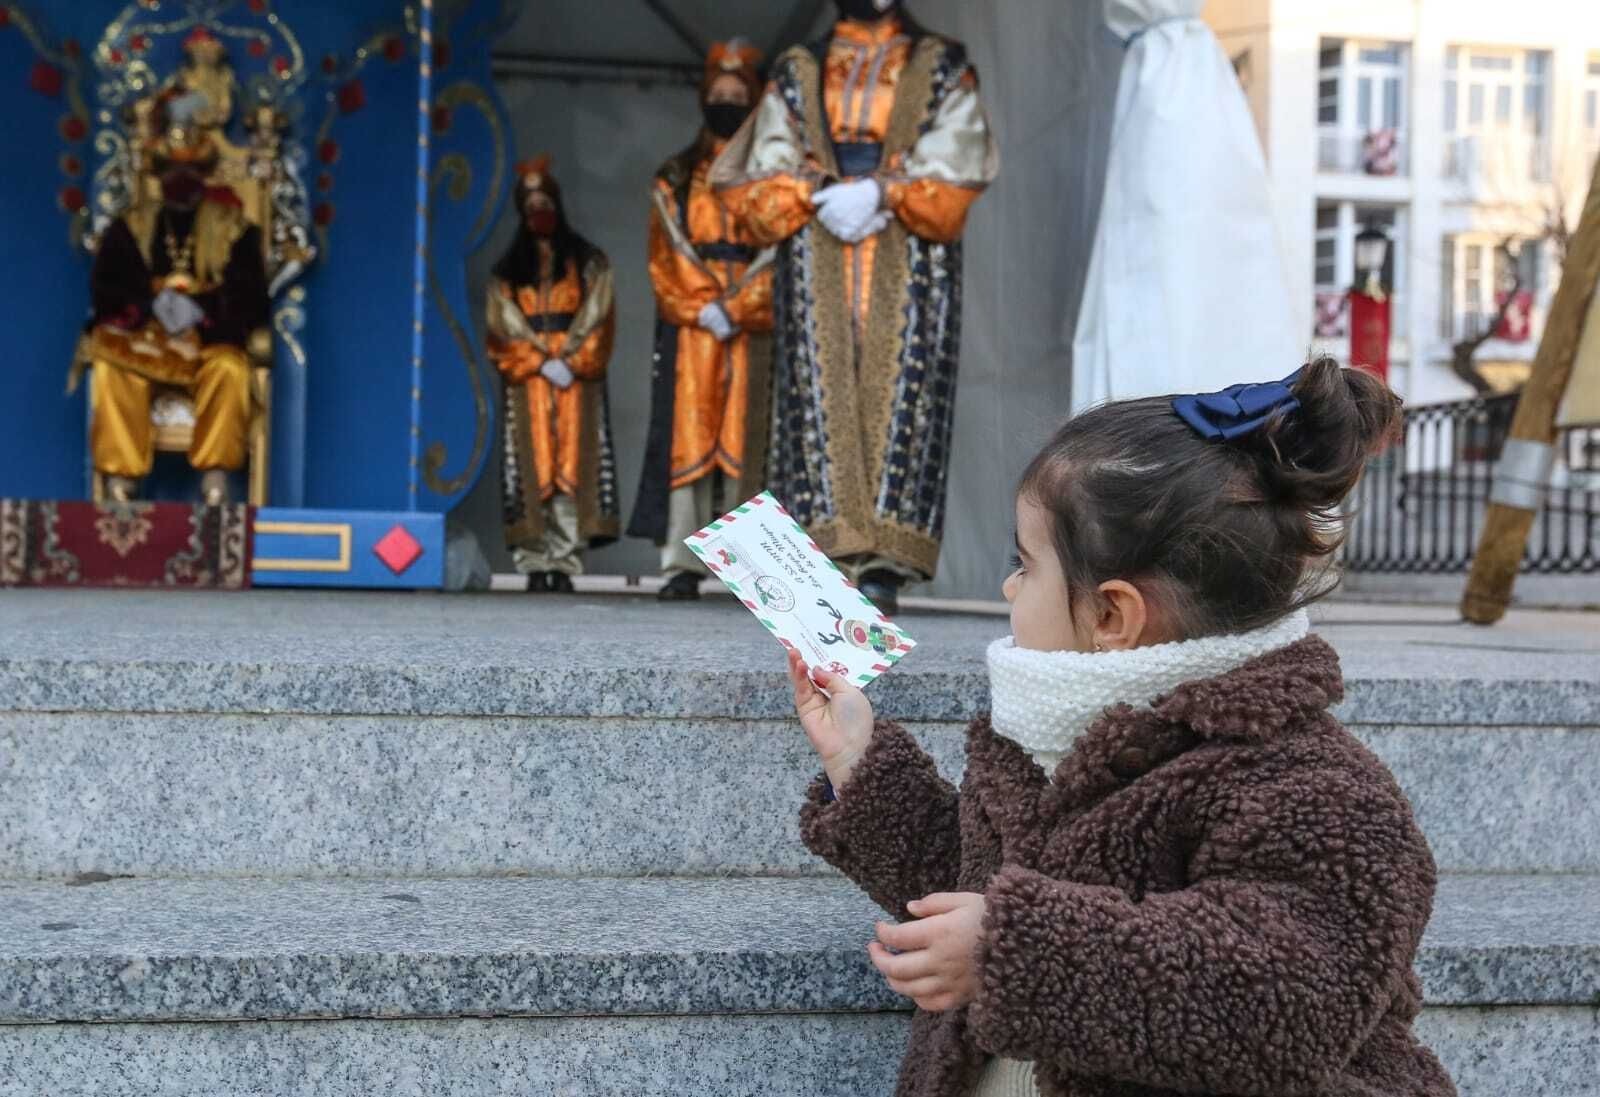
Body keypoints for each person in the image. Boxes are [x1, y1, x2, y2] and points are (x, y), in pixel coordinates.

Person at [785, 357, 1455, 1097]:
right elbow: (974, 890)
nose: (1009, 586)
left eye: (1026, 563)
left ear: (1112, 616)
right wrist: (860, 762)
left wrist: (1016, 951)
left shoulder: (1313, 786)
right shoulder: (1045, 735)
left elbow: (1284, 996)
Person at [712, 0, 998, 615]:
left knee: (904, 391)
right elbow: (764, 159)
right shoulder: (799, 66)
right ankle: (823, 554)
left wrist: (883, 190)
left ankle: (886, 564)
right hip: (817, 244)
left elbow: (960, 151)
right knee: (816, 390)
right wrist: (818, 191)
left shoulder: (939, 61)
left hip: (909, 249)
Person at [627, 40, 776, 603]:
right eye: (718, 94)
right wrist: (701, 308)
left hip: (749, 326)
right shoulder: (675, 176)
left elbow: (782, 255)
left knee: (746, 442)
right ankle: (680, 563)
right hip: (693, 328)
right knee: (687, 440)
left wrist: (736, 307)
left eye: (738, 95)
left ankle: (747, 566)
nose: (727, 102)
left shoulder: (768, 177)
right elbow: (662, 261)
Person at [84, 94, 268, 506]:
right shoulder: (130, 225)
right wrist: (154, 309)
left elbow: (251, 296)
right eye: (172, 169)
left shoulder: (234, 227)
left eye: (190, 170)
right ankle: (120, 484)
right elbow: (108, 290)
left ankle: (216, 482)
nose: (180, 178)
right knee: (112, 367)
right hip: (146, 338)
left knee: (229, 370)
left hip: (207, 340)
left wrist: (197, 316)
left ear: (203, 175)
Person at [487, 157, 618, 592]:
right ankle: (532, 561)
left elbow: (600, 317)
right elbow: (500, 327)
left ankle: (564, 560)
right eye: (531, 204)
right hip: (529, 380)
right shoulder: (507, 273)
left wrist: (573, 360)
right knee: (530, 468)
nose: (539, 211)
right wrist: (538, 361)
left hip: (574, 379)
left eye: (545, 202)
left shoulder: (587, 262)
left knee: (571, 468)